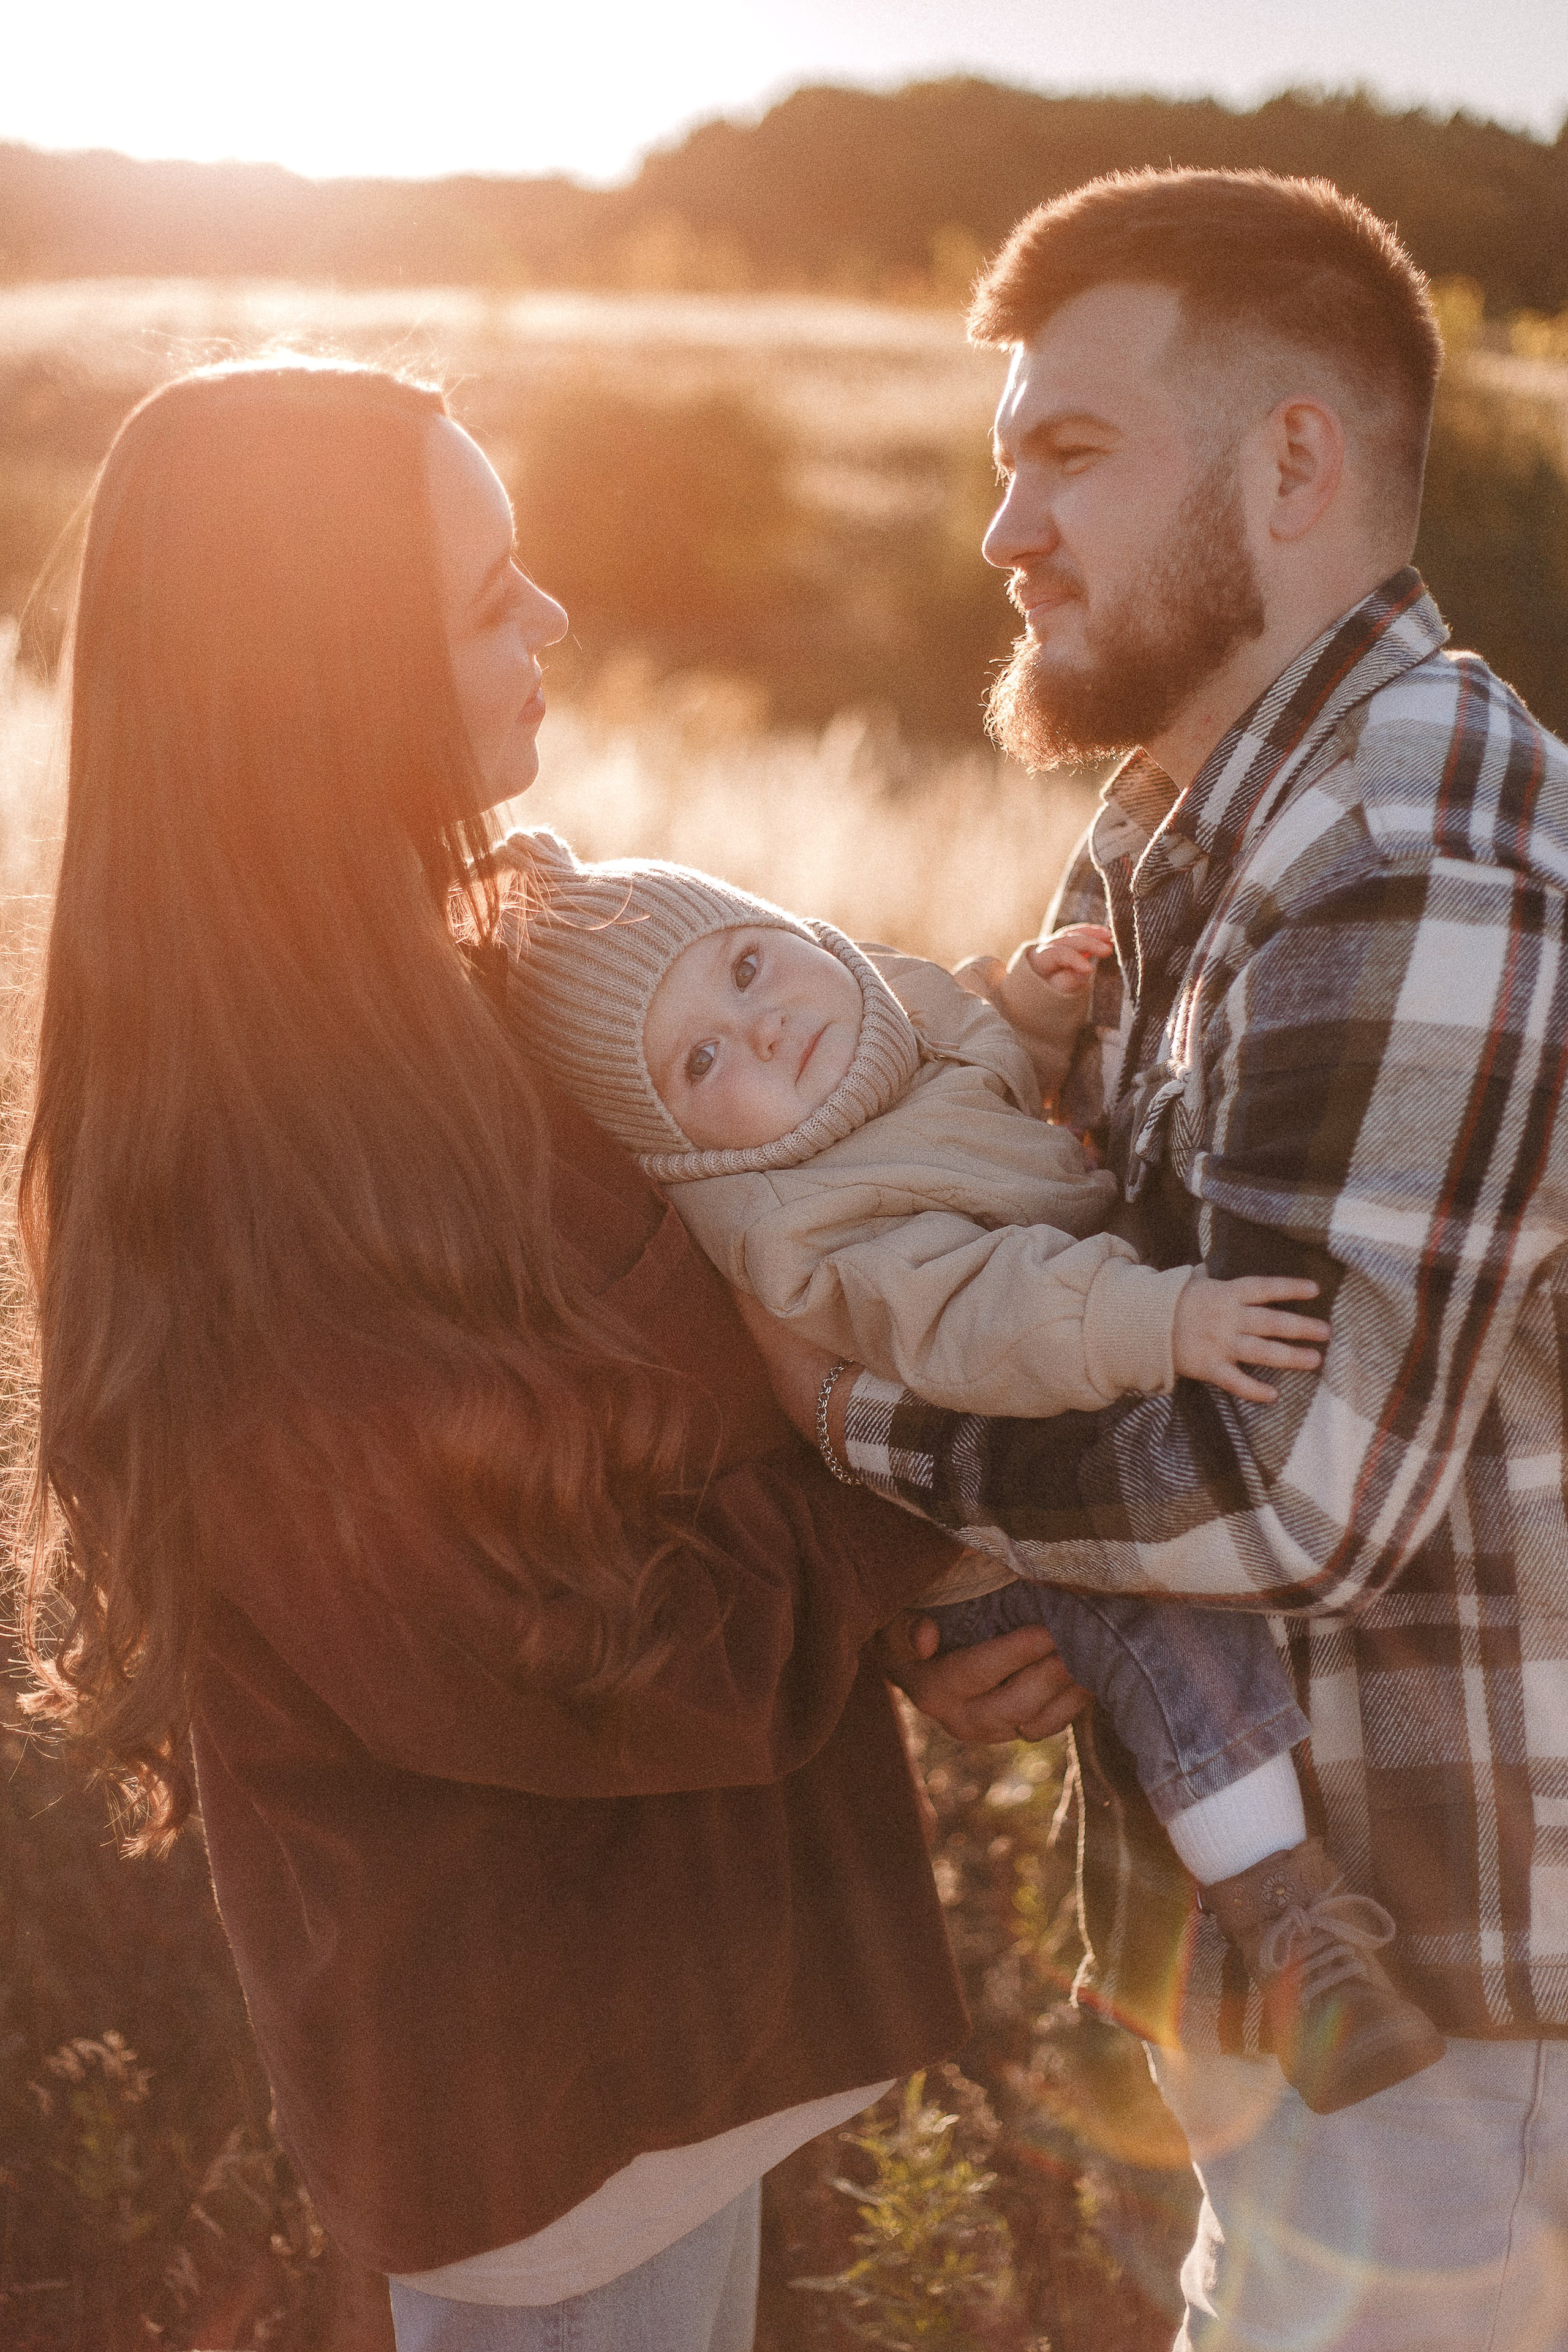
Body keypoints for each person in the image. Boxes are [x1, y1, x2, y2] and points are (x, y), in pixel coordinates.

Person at [16, 358, 975, 2352]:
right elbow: (581, 1652)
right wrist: (932, 1527)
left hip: (660, 2079)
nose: (548, 623)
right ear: (329, 678)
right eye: (487, 595)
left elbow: (699, 1385)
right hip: (557, 2138)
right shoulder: (259, 1181)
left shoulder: (466, 993)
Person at [740, 168, 1568, 2350]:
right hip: (1309, 1981)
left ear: (1296, 458)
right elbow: (1100, 1309)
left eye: (1070, 452)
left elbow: (1287, 1487)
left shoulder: (1409, 853)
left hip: (1474, 2026)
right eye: (1003, 460)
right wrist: (966, 1597)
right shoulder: (1184, 827)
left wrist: (859, 1421)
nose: (1004, 531)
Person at [500, 828, 1441, 2112]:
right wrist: (1160, 1320)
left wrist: (1030, 1009)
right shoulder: (800, 1224)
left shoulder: (879, 1023)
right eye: (700, 1061)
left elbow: (980, 1064)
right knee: (1160, 1622)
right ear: (678, 1149)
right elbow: (980, 1313)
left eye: (746, 963)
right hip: (983, 1517)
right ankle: (1288, 1924)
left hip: (1058, 1392)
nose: (761, 1025)